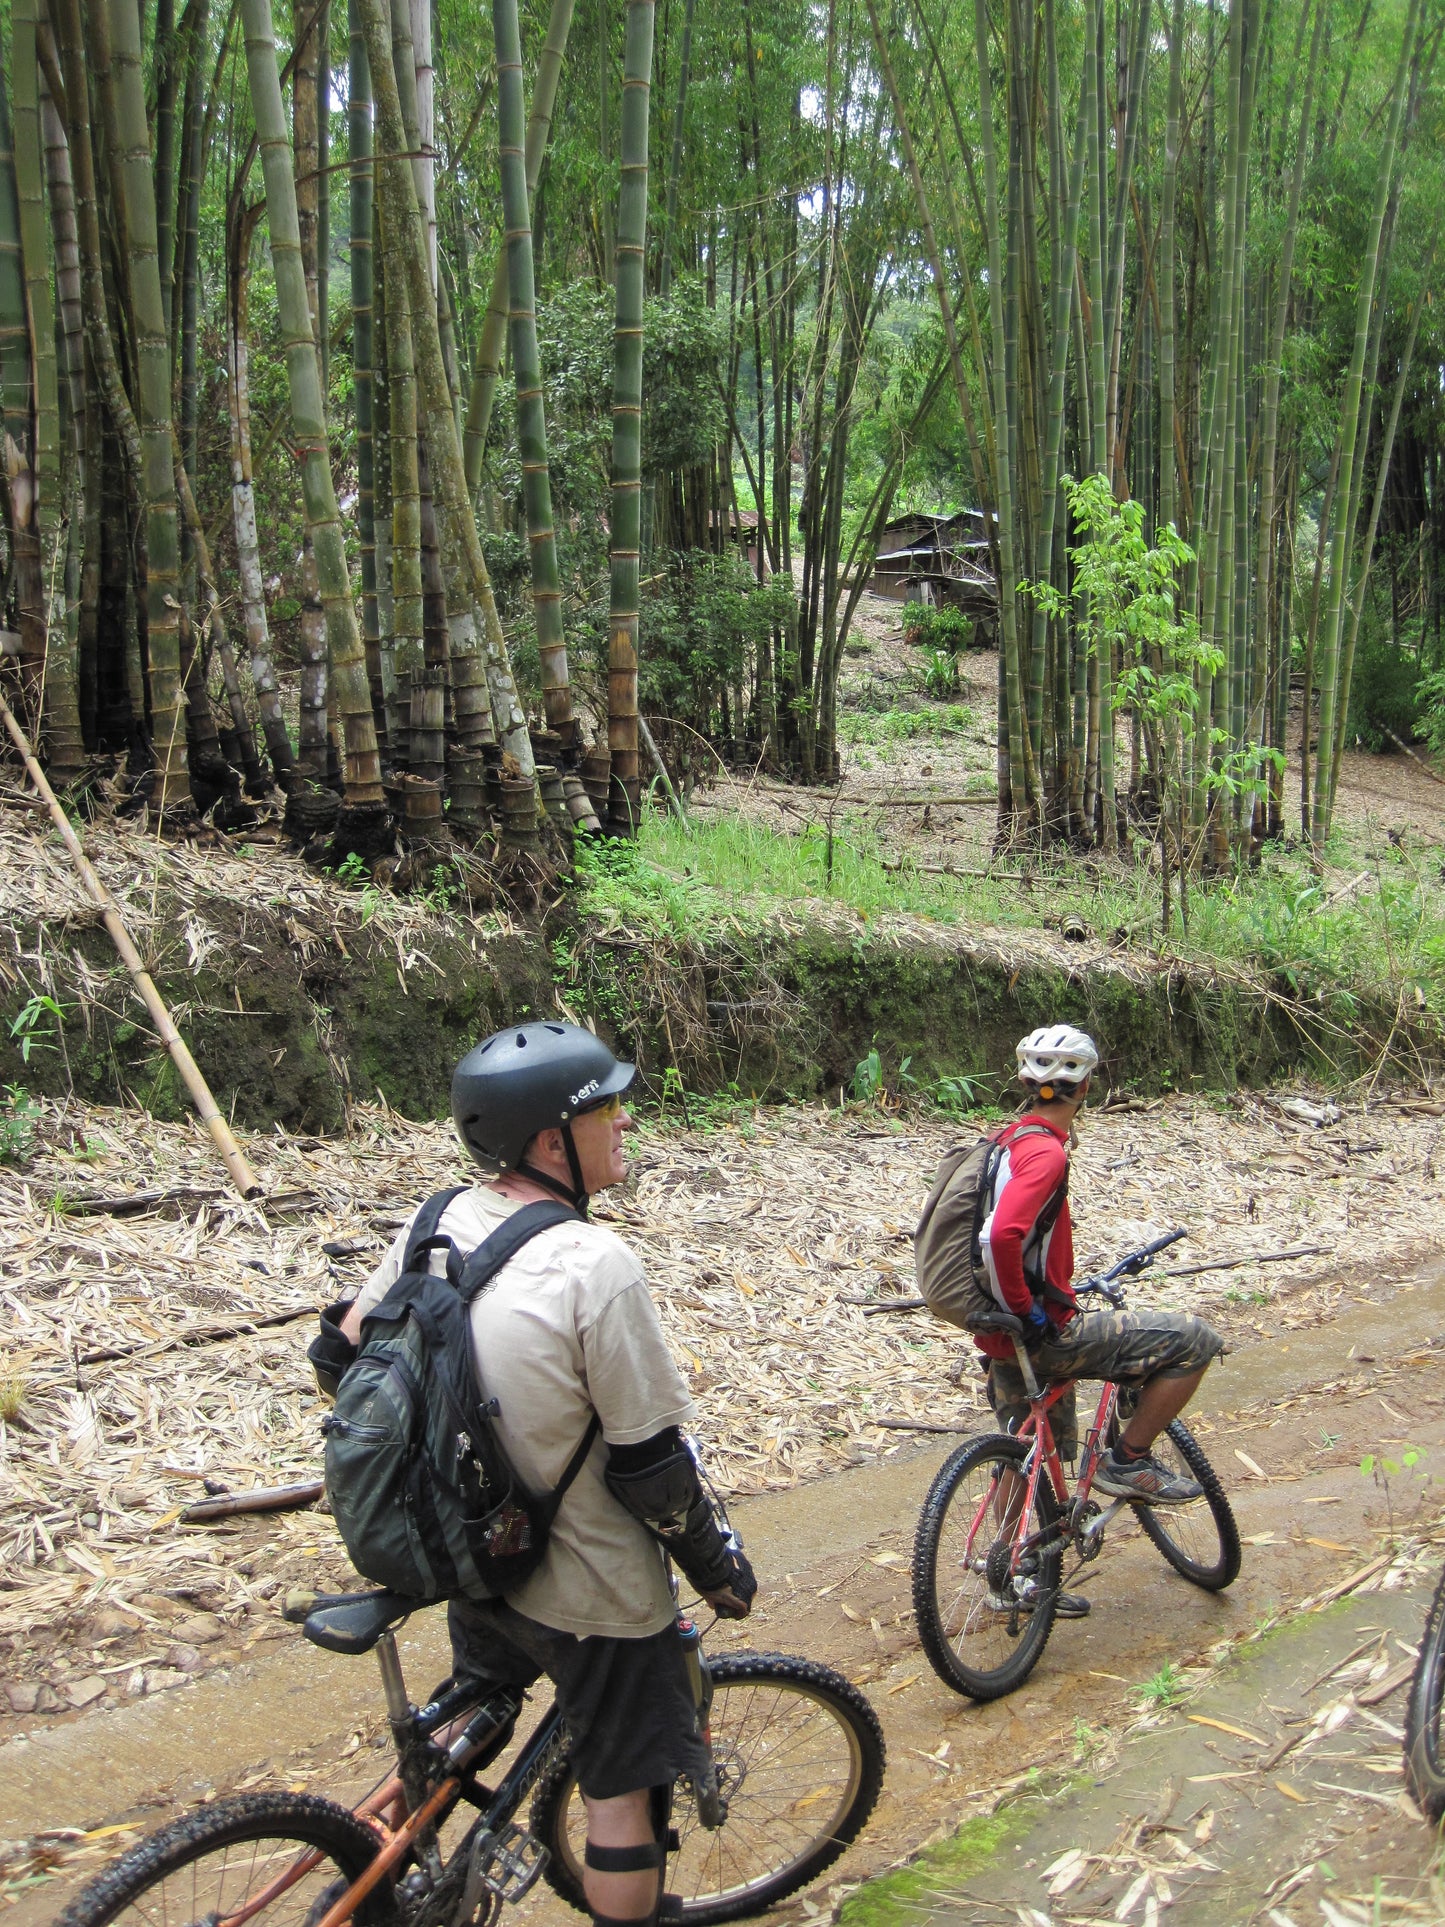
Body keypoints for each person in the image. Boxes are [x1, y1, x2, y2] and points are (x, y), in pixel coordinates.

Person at [337, 1021, 756, 1927]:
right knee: (625, 1783)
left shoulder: (436, 1218)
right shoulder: (592, 1263)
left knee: (472, 1711)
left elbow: (339, 1354)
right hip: (585, 1589)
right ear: (548, 1139)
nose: (625, 1125)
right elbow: (650, 1466)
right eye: (606, 1110)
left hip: (465, 1553)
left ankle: (384, 1865)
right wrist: (716, 1566)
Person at [977, 1025, 1225, 1528]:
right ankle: (1128, 1461)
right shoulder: (1045, 1153)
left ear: (1026, 1084)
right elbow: (1001, 1236)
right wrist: (1029, 1311)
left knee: (1023, 1448)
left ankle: (1012, 1574)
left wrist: (1014, 1310)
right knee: (1196, 1341)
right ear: (1086, 1087)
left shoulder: (1005, 1140)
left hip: (994, 1327)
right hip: (1041, 1331)